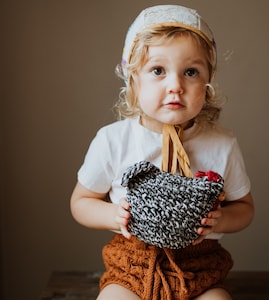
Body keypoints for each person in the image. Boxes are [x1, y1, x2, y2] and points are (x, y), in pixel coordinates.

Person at [70, 4, 254, 300]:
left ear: (207, 84)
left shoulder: (222, 143)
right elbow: (80, 203)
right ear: (133, 78)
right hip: (132, 264)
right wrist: (114, 214)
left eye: (190, 72)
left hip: (199, 266)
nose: (175, 86)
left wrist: (222, 219)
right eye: (158, 70)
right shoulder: (113, 140)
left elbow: (245, 209)